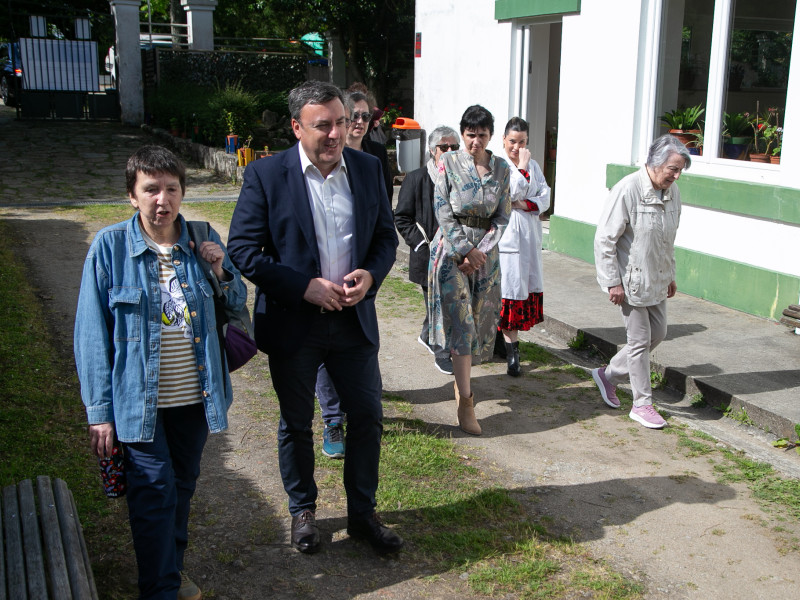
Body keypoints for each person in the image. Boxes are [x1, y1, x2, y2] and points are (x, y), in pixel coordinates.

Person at [226, 81, 403, 555]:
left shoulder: (367, 168)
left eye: (341, 122)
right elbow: (241, 250)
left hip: (352, 320)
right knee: (296, 421)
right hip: (294, 321)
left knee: (367, 417)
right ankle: (302, 510)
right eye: (322, 125)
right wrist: (302, 286)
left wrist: (371, 276)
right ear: (296, 127)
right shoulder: (267, 175)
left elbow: (386, 238)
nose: (335, 134)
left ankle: (362, 515)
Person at [74, 145, 247, 600]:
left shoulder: (202, 235)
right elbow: (91, 334)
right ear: (132, 195)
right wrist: (100, 412)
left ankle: (170, 569)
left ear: (181, 192)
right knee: (153, 495)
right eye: (150, 189)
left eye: (171, 188)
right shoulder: (110, 248)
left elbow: (237, 304)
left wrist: (219, 269)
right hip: (138, 401)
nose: (162, 200)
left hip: (195, 397)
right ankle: (161, 588)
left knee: (181, 487)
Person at [311, 88, 396, 460]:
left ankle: (361, 413)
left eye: (360, 118)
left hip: (356, 292)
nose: (356, 124)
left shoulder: (374, 160)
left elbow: (382, 227)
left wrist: (371, 274)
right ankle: (332, 417)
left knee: (362, 362)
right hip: (315, 297)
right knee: (325, 361)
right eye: (352, 116)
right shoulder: (302, 168)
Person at [592, 134, 690, 429]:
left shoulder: (673, 193)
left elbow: (668, 239)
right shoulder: (627, 189)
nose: (676, 175)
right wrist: (612, 281)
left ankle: (607, 376)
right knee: (638, 343)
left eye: (680, 170)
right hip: (630, 282)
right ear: (655, 163)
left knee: (657, 334)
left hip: (657, 278)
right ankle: (642, 403)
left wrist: (670, 274)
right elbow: (605, 239)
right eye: (673, 168)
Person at [428, 105, 511, 436]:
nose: (476, 141)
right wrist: (464, 249)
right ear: (462, 135)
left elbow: (503, 216)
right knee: (461, 325)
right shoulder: (448, 163)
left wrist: (481, 252)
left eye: (482, 135)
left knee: (478, 324)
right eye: (470, 135)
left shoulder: (502, 169)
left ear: (491, 136)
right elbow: (442, 208)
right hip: (451, 253)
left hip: (486, 257)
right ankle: (466, 401)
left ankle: (462, 384)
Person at [394, 125, 460, 375]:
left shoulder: (463, 178)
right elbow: (401, 217)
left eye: (455, 147)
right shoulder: (417, 178)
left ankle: (426, 333)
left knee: (448, 301)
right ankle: (441, 352)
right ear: (433, 151)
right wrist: (422, 245)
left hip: (455, 253)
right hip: (428, 256)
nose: (450, 151)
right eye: (445, 147)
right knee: (439, 304)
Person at [495, 117, 551, 376]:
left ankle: (506, 345)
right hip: (507, 239)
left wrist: (525, 203)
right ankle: (511, 353)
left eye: (523, 142)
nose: (517, 148)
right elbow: (512, 193)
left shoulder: (535, 166)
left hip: (528, 236)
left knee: (521, 290)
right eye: (513, 142)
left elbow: (545, 197)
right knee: (507, 292)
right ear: (504, 141)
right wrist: (524, 168)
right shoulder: (498, 165)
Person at [344, 89, 393, 201]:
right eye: (355, 116)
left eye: (365, 116)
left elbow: (386, 193)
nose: (360, 121)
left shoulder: (378, 152)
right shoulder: (334, 151)